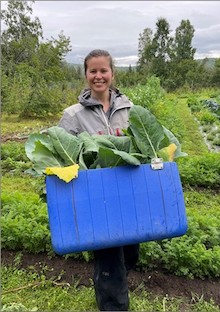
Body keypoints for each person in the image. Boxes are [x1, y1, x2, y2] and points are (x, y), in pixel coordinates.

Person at [58, 49, 139, 311]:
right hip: (97, 199)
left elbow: (142, 149)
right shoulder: (73, 115)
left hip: (127, 195)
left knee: (129, 255)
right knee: (109, 258)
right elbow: (61, 154)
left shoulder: (129, 109)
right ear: (85, 75)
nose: (98, 76)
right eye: (93, 71)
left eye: (103, 70)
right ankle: (112, 303)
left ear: (112, 74)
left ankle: (107, 283)